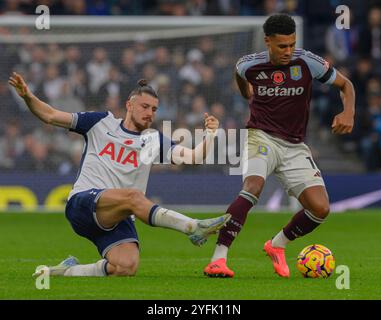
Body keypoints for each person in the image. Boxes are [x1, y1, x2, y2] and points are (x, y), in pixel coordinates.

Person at [8, 72, 230, 277]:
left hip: (118, 214)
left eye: (154, 109)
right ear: (129, 105)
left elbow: (193, 158)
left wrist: (210, 136)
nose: (149, 113)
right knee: (134, 196)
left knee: (126, 267)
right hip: (84, 203)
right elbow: (50, 115)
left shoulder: (153, 140)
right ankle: (193, 227)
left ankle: (68, 270)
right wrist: (28, 96)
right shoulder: (100, 122)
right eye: (144, 106)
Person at [203, 14, 355, 278]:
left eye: (291, 45)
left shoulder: (307, 61)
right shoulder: (248, 65)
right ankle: (218, 258)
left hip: (294, 146)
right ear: (267, 42)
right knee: (253, 187)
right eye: (282, 46)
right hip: (260, 136)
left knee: (320, 209)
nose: (288, 51)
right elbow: (239, 76)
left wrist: (348, 112)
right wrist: (246, 92)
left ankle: (277, 245)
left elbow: (346, 85)